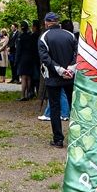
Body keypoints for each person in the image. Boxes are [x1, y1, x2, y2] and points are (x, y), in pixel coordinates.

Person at [37, 12, 77, 148]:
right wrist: (70, 69)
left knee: (55, 107)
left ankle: (58, 139)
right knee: (74, 106)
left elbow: (45, 58)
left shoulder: (44, 37)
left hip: (53, 77)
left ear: (47, 22)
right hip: (70, 76)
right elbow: (77, 54)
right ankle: (77, 137)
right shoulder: (70, 35)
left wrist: (59, 69)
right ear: (57, 22)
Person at [17, 20, 38, 100]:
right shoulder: (31, 36)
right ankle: (29, 93)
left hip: (23, 58)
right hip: (30, 58)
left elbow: (19, 50)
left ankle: (23, 95)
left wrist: (17, 60)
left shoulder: (21, 37)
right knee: (29, 77)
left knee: (23, 77)